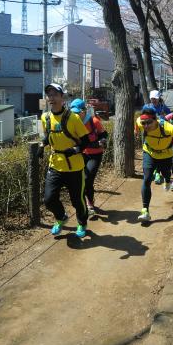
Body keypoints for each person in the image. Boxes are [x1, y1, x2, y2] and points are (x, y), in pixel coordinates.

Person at [37, 83, 90, 238]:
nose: (51, 98)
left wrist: (74, 150)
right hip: (55, 164)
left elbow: (86, 141)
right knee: (49, 199)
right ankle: (61, 217)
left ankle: (82, 223)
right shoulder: (45, 117)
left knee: (77, 200)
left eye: (55, 94)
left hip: (74, 166)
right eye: (49, 95)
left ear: (62, 97)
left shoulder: (73, 118)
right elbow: (48, 134)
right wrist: (42, 145)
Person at [70, 98, 108, 216]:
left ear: (84, 111)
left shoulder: (94, 121)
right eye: (73, 113)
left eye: (77, 113)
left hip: (95, 154)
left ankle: (90, 204)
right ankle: (83, 203)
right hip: (80, 154)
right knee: (79, 181)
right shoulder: (72, 122)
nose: (75, 115)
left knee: (87, 179)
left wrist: (101, 142)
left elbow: (104, 135)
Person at [147, 90, 171, 184]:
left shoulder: (162, 107)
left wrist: (164, 119)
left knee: (159, 153)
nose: (154, 100)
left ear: (158, 98)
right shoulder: (147, 107)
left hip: (161, 134)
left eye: (155, 99)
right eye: (152, 99)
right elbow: (142, 118)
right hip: (150, 134)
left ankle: (157, 173)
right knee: (152, 153)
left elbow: (169, 115)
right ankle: (155, 172)